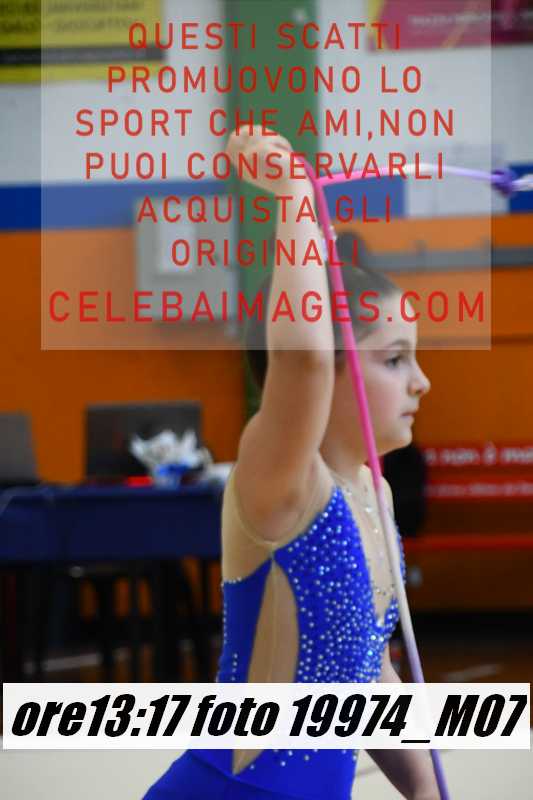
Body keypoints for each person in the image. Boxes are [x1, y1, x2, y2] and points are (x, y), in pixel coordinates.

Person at [143, 129, 438, 799]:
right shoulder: (282, 484)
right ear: (328, 370)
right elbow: (301, 360)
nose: (421, 382)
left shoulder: (374, 493)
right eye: (394, 358)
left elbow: (367, 670)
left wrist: (425, 792)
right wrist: (292, 194)